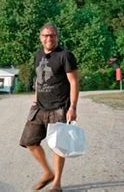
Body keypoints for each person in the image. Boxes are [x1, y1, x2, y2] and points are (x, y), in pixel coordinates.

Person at [19, 23, 80, 192]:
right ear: (40, 38)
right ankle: (48, 172)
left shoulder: (65, 55)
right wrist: (34, 100)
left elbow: (74, 82)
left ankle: (57, 183)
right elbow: (39, 80)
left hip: (59, 107)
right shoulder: (38, 55)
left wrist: (72, 107)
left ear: (57, 37)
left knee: (58, 146)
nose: (49, 38)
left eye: (52, 35)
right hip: (40, 107)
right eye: (45, 35)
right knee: (29, 142)